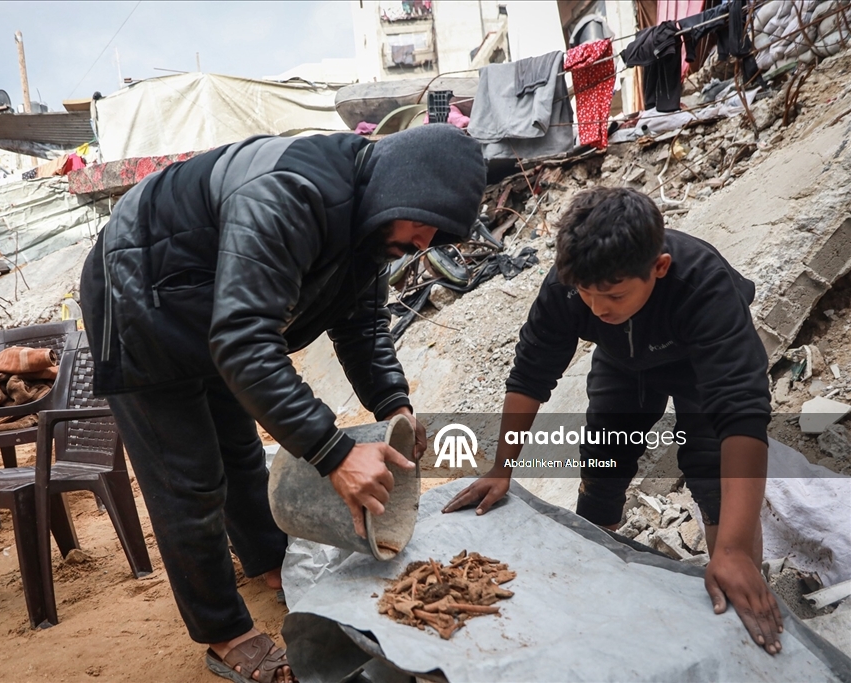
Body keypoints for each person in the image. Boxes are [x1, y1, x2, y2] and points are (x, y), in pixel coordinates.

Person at [79, 124, 486, 683]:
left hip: (209, 305)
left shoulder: (371, 223)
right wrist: (335, 454)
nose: (423, 243)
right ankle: (223, 633)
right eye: (424, 224)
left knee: (241, 453)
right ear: (402, 185)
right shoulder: (291, 192)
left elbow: (362, 324)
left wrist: (394, 405)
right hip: (136, 290)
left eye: (436, 238)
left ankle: (269, 563)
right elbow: (245, 340)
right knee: (189, 480)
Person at [443, 187, 783, 655]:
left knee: (711, 476)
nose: (597, 308)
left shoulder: (704, 287)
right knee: (602, 466)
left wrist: (735, 550)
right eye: (586, 294)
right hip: (623, 364)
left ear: (658, 269)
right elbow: (530, 374)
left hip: (694, 364)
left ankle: (736, 595)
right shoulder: (570, 288)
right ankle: (594, 594)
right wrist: (502, 468)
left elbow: (742, 412)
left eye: (614, 295)